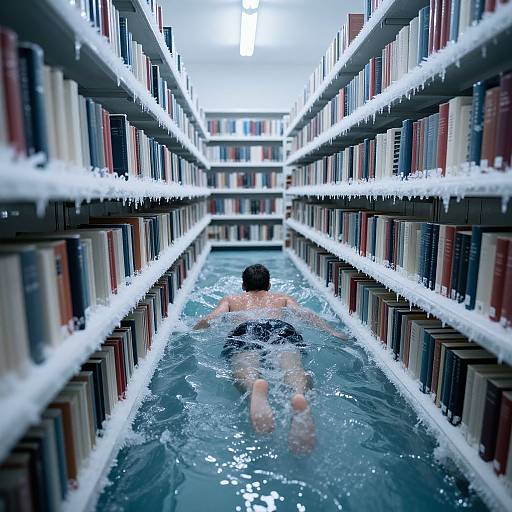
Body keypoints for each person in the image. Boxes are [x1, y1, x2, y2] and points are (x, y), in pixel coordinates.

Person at [194, 263, 348, 454]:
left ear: (243, 286)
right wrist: (333, 332)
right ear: (269, 286)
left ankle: (253, 388)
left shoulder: (232, 299)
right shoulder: (281, 298)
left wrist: (191, 329)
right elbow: (305, 314)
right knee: (294, 370)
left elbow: (211, 318)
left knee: (245, 370)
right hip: (280, 328)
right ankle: (298, 394)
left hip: (247, 329)